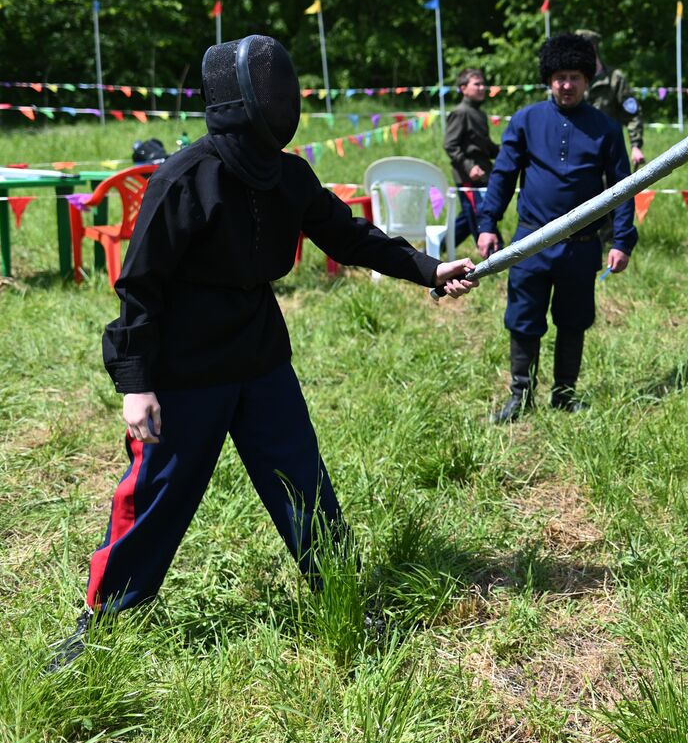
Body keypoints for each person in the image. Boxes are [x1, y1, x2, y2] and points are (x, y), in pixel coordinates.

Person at [46, 36, 478, 672]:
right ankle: (103, 618)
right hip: (184, 371)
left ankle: (342, 599)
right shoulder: (183, 178)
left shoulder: (288, 175)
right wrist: (135, 384)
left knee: (303, 483)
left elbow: (351, 236)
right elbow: (140, 285)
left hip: (260, 359)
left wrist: (430, 269)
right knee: (155, 495)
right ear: (235, 99)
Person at [476, 33, 636, 422]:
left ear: (587, 80)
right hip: (530, 242)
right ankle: (520, 396)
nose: (567, 85)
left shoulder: (607, 129)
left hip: (581, 246)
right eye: (560, 77)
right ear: (549, 79)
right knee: (524, 318)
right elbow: (503, 175)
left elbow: (623, 190)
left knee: (574, 320)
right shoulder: (526, 120)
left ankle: (564, 395)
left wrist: (622, 240)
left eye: (575, 77)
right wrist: (487, 222)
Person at [442, 67, 498, 247]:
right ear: (463, 88)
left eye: (483, 84)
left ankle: (436, 247)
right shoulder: (461, 112)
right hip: (468, 177)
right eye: (477, 84)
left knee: (468, 218)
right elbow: (450, 144)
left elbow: (485, 146)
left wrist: (510, 151)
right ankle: (493, 252)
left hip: (484, 173)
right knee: (479, 215)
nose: (482, 88)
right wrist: (469, 166)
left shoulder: (479, 113)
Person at [577, 30, 646, 168]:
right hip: (578, 150)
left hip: (609, 150)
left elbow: (632, 113)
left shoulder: (614, 79)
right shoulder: (572, 80)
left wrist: (635, 146)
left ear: (593, 48)